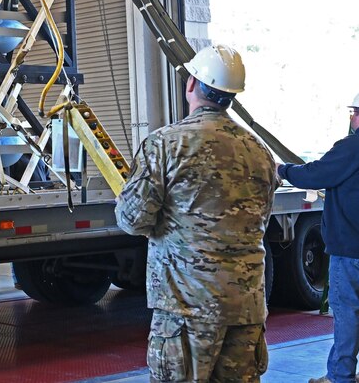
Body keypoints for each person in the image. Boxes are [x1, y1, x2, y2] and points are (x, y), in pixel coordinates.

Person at [116, 44, 278, 382]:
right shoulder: (260, 151)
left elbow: (132, 219)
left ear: (191, 84)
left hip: (186, 311)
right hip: (245, 308)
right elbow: (260, 219)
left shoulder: (165, 144)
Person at [277, 88, 359, 383]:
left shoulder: (354, 147)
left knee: (348, 313)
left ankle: (340, 377)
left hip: (353, 249)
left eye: (353, 113)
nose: (351, 118)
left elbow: (314, 175)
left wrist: (283, 170)